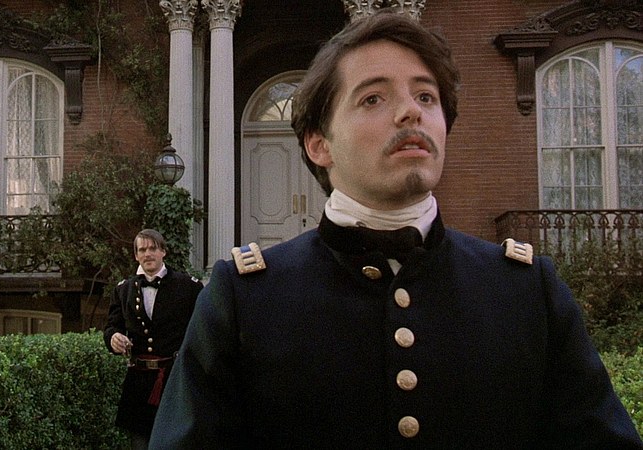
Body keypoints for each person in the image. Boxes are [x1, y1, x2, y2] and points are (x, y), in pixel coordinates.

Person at [149, 12, 643, 449]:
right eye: (373, 98)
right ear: (319, 144)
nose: (412, 111)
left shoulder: (526, 290)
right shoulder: (243, 298)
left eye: (426, 95)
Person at [103, 229, 203, 449]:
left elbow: (200, 330)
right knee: (140, 443)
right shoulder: (123, 290)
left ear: (163, 251)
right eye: (142, 250)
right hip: (138, 382)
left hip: (174, 379)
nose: (147, 254)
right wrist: (114, 338)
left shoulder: (188, 287)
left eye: (152, 248)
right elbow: (111, 327)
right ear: (136, 256)